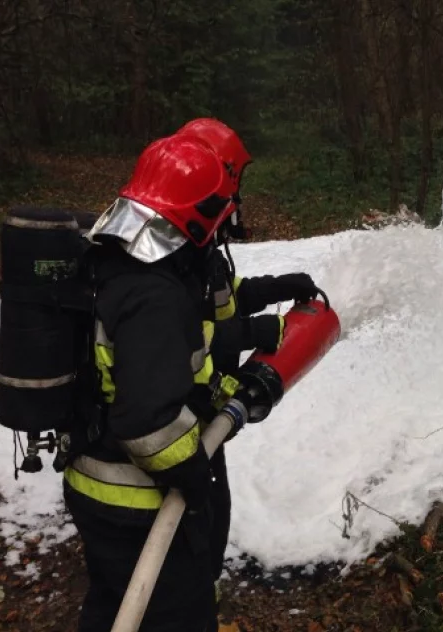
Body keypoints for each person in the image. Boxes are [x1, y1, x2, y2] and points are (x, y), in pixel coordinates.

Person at [63, 132, 314, 632]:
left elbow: (194, 325)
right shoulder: (153, 291)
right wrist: (194, 475)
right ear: (201, 209)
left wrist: (273, 293)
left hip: (100, 489)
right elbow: (147, 422)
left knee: (115, 604)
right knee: (176, 613)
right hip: (141, 502)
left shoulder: (135, 258)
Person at [175, 119, 319, 615]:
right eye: (235, 183)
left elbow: (221, 301)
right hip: (172, 427)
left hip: (196, 418)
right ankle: (191, 610)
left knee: (212, 517)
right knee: (196, 529)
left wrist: (274, 288)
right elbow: (182, 333)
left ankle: (198, 602)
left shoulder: (198, 245)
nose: (237, 197)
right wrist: (255, 334)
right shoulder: (173, 250)